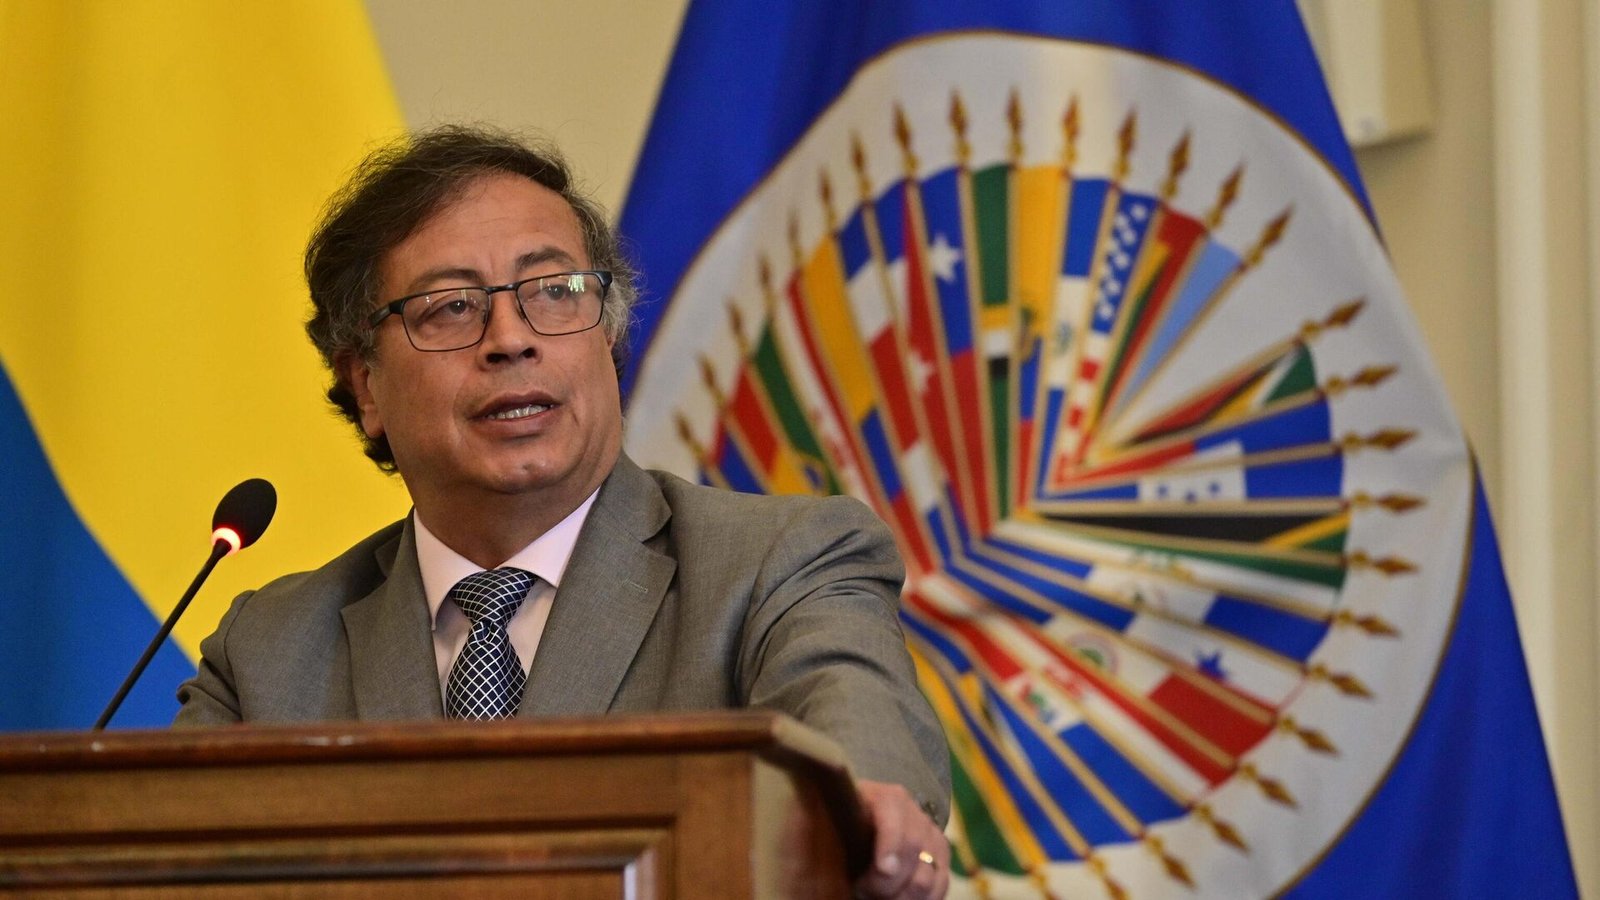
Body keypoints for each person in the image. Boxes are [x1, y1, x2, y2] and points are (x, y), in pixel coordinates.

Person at [174, 125, 951, 898]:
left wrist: (858, 805)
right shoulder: (270, 653)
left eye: (554, 291)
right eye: (450, 307)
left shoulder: (781, 564)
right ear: (366, 386)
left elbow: (853, 718)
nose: (510, 340)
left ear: (607, 337)